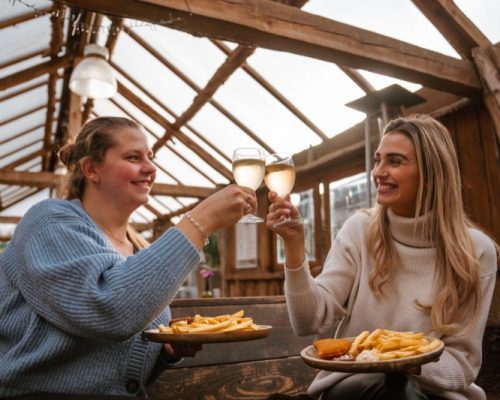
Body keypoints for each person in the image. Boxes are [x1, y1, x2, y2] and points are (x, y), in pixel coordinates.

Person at [0, 116, 258, 398]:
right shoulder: (48, 222)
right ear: (91, 169)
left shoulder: (139, 249)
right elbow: (110, 309)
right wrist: (200, 221)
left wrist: (164, 353)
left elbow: (117, 367)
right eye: (133, 157)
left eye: (150, 157)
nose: (150, 168)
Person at [266, 114, 498, 400]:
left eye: (395, 161)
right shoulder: (359, 230)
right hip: (354, 382)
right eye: (378, 160)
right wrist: (293, 247)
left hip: (436, 390)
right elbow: (307, 321)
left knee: (401, 387)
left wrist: (400, 362)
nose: (378, 171)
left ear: (431, 172)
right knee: (395, 389)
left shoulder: (476, 251)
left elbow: (462, 364)